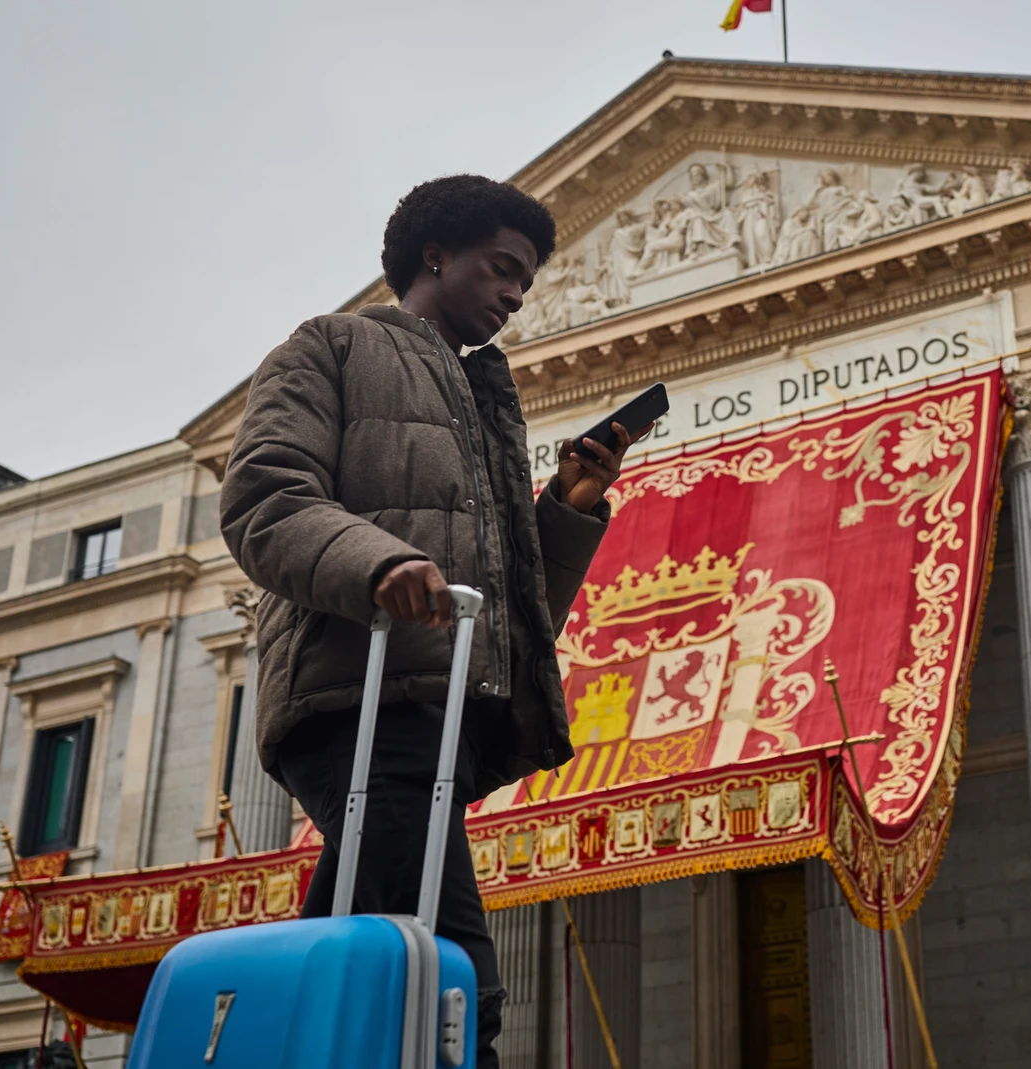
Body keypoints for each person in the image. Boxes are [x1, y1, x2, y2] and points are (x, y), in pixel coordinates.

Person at [220, 175, 644, 1067]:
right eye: (501, 269)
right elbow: (263, 501)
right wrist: (375, 564)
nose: (513, 296)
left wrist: (565, 508)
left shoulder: (487, 403)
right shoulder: (328, 348)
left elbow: (505, 609)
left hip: (435, 713)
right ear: (434, 254)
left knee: (356, 950)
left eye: (525, 283)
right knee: (452, 975)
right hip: (362, 701)